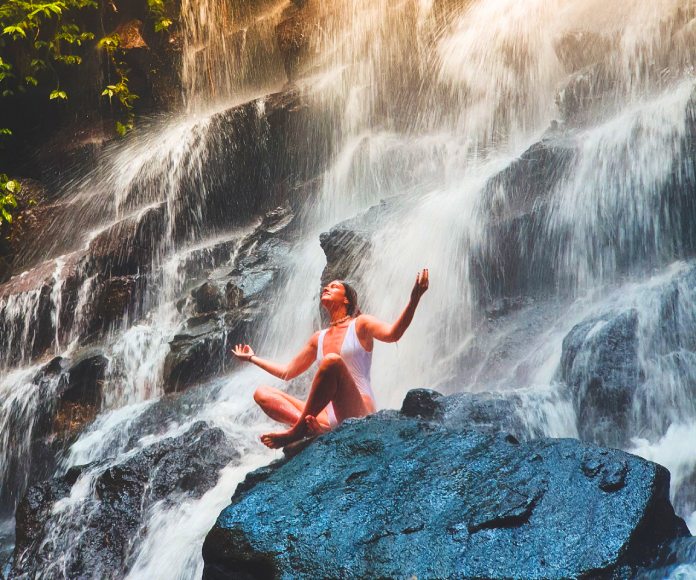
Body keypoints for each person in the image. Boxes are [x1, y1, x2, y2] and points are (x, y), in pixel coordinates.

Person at [232, 269, 429, 448]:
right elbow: (286, 372)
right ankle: (313, 430)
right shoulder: (319, 337)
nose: (327, 287)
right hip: (327, 416)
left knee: (332, 362)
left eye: (334, 286)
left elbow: (393, 334)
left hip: (358, 410)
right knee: (262, 393)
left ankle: (297, 432)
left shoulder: (360, 324)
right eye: (326, 286)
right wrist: (252, 358)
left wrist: (414, 299)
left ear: (346, 300)